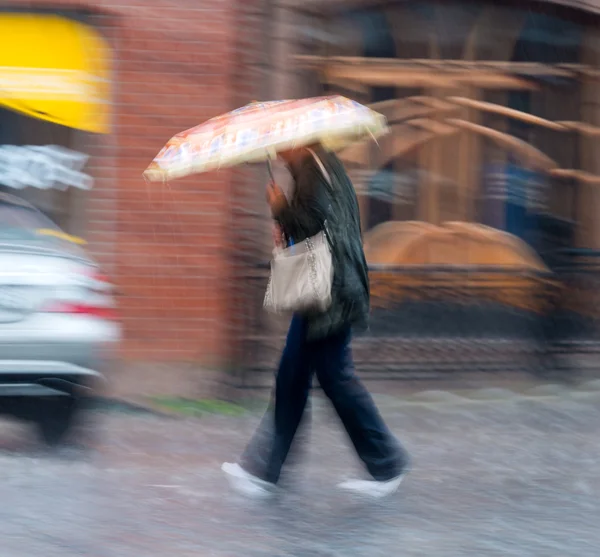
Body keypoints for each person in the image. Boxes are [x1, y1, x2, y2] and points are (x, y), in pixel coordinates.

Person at [222, 143, 410, 498]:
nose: (275, 150)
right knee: (302, 377)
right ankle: (270, 471)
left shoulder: (312, 170)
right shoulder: (317, 166)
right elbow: (318, 225)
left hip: (330, 291)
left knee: (324, 377)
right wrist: (284, 219)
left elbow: (315, 222)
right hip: (330, 288)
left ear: (298, 141)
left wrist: (280, 207)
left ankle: (385, 463)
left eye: (280, 144)